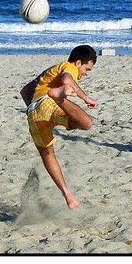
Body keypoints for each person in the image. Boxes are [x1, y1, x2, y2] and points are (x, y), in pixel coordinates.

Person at [19, 45, 98, 209]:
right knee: (87, 122)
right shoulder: (69, 66)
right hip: (49, 101)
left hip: (34, 114)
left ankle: (67, 195)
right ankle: (58, 97)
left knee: (48, 154)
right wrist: (86, 98)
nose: (86, 73)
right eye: (87, 68)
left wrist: (33, 107)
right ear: (78, 63)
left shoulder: (48, 72)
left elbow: (25, 91)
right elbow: (67, 80)